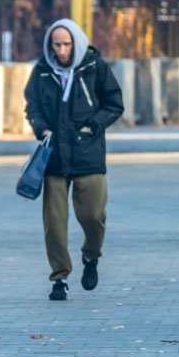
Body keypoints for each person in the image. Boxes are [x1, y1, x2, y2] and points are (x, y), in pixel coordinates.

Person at [23, 19, 125, 301]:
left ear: (76, 43)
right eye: (56, 44)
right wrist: (41, 128)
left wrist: (92, 127)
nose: (61, 50)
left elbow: (115, 103)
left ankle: (91, 256)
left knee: (94, 216)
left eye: (66, 44)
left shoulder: (94, 67)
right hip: (54, 157)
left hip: (87, 154)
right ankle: (60, 277)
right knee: (54, 223)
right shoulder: (43, 70)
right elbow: (31, 104)